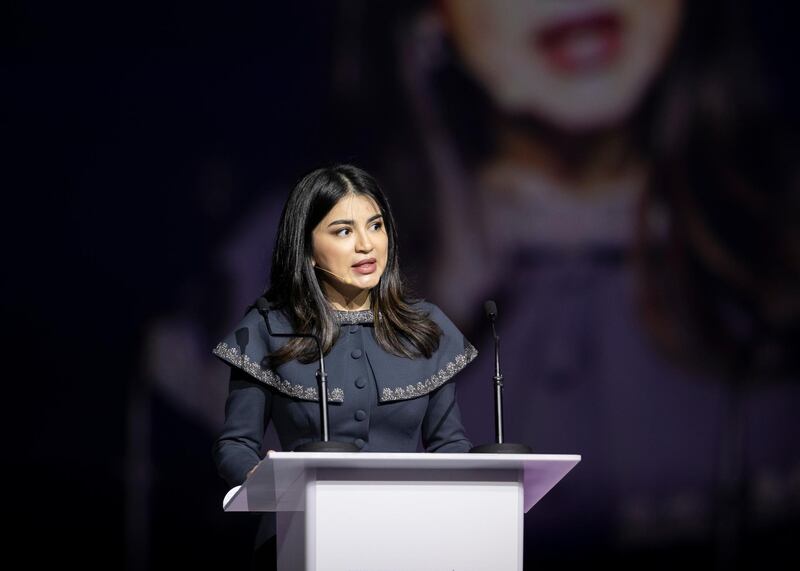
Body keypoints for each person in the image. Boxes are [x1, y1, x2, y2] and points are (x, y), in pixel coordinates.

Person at [211, 164, 477, 567]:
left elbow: (450, 443)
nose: (367, 245)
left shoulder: (426, 329)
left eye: (376, 226)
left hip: (409, 541)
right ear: (307, 248)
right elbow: (235, 445)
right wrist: (255, 477)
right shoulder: (267, 329)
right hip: (298, 542)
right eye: (343, 231)